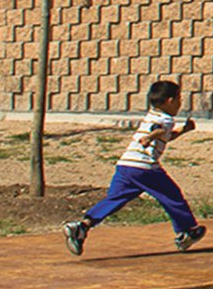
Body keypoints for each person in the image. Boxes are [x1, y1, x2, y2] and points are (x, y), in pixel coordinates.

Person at [65, 79, 205, 254]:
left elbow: (165, 136)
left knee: (115, 199)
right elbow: (160, 130)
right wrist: (149, 138)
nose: (179, 104)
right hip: (144, 167)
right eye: (179, 99)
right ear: (170, 101)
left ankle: (82, 226)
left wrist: (184, 130)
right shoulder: (166, 119)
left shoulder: (151, 114)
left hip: (125, 165)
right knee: (172, 196)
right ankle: (186, 231)